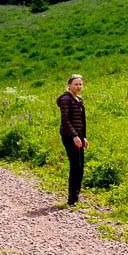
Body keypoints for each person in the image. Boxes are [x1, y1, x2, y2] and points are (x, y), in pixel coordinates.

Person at [56, 74, 87, 206]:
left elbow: (82, 120)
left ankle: (77, 194)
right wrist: (74, 136)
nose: (78, 87)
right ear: (69, 85)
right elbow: (65, 120)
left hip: (78, 136)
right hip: (69, 137)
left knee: (80, 166)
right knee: (75, 165)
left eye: (80, 84)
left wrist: (83, 136)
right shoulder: (65, 99)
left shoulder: (79, 99)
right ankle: (72, 198)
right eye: (76, 84)